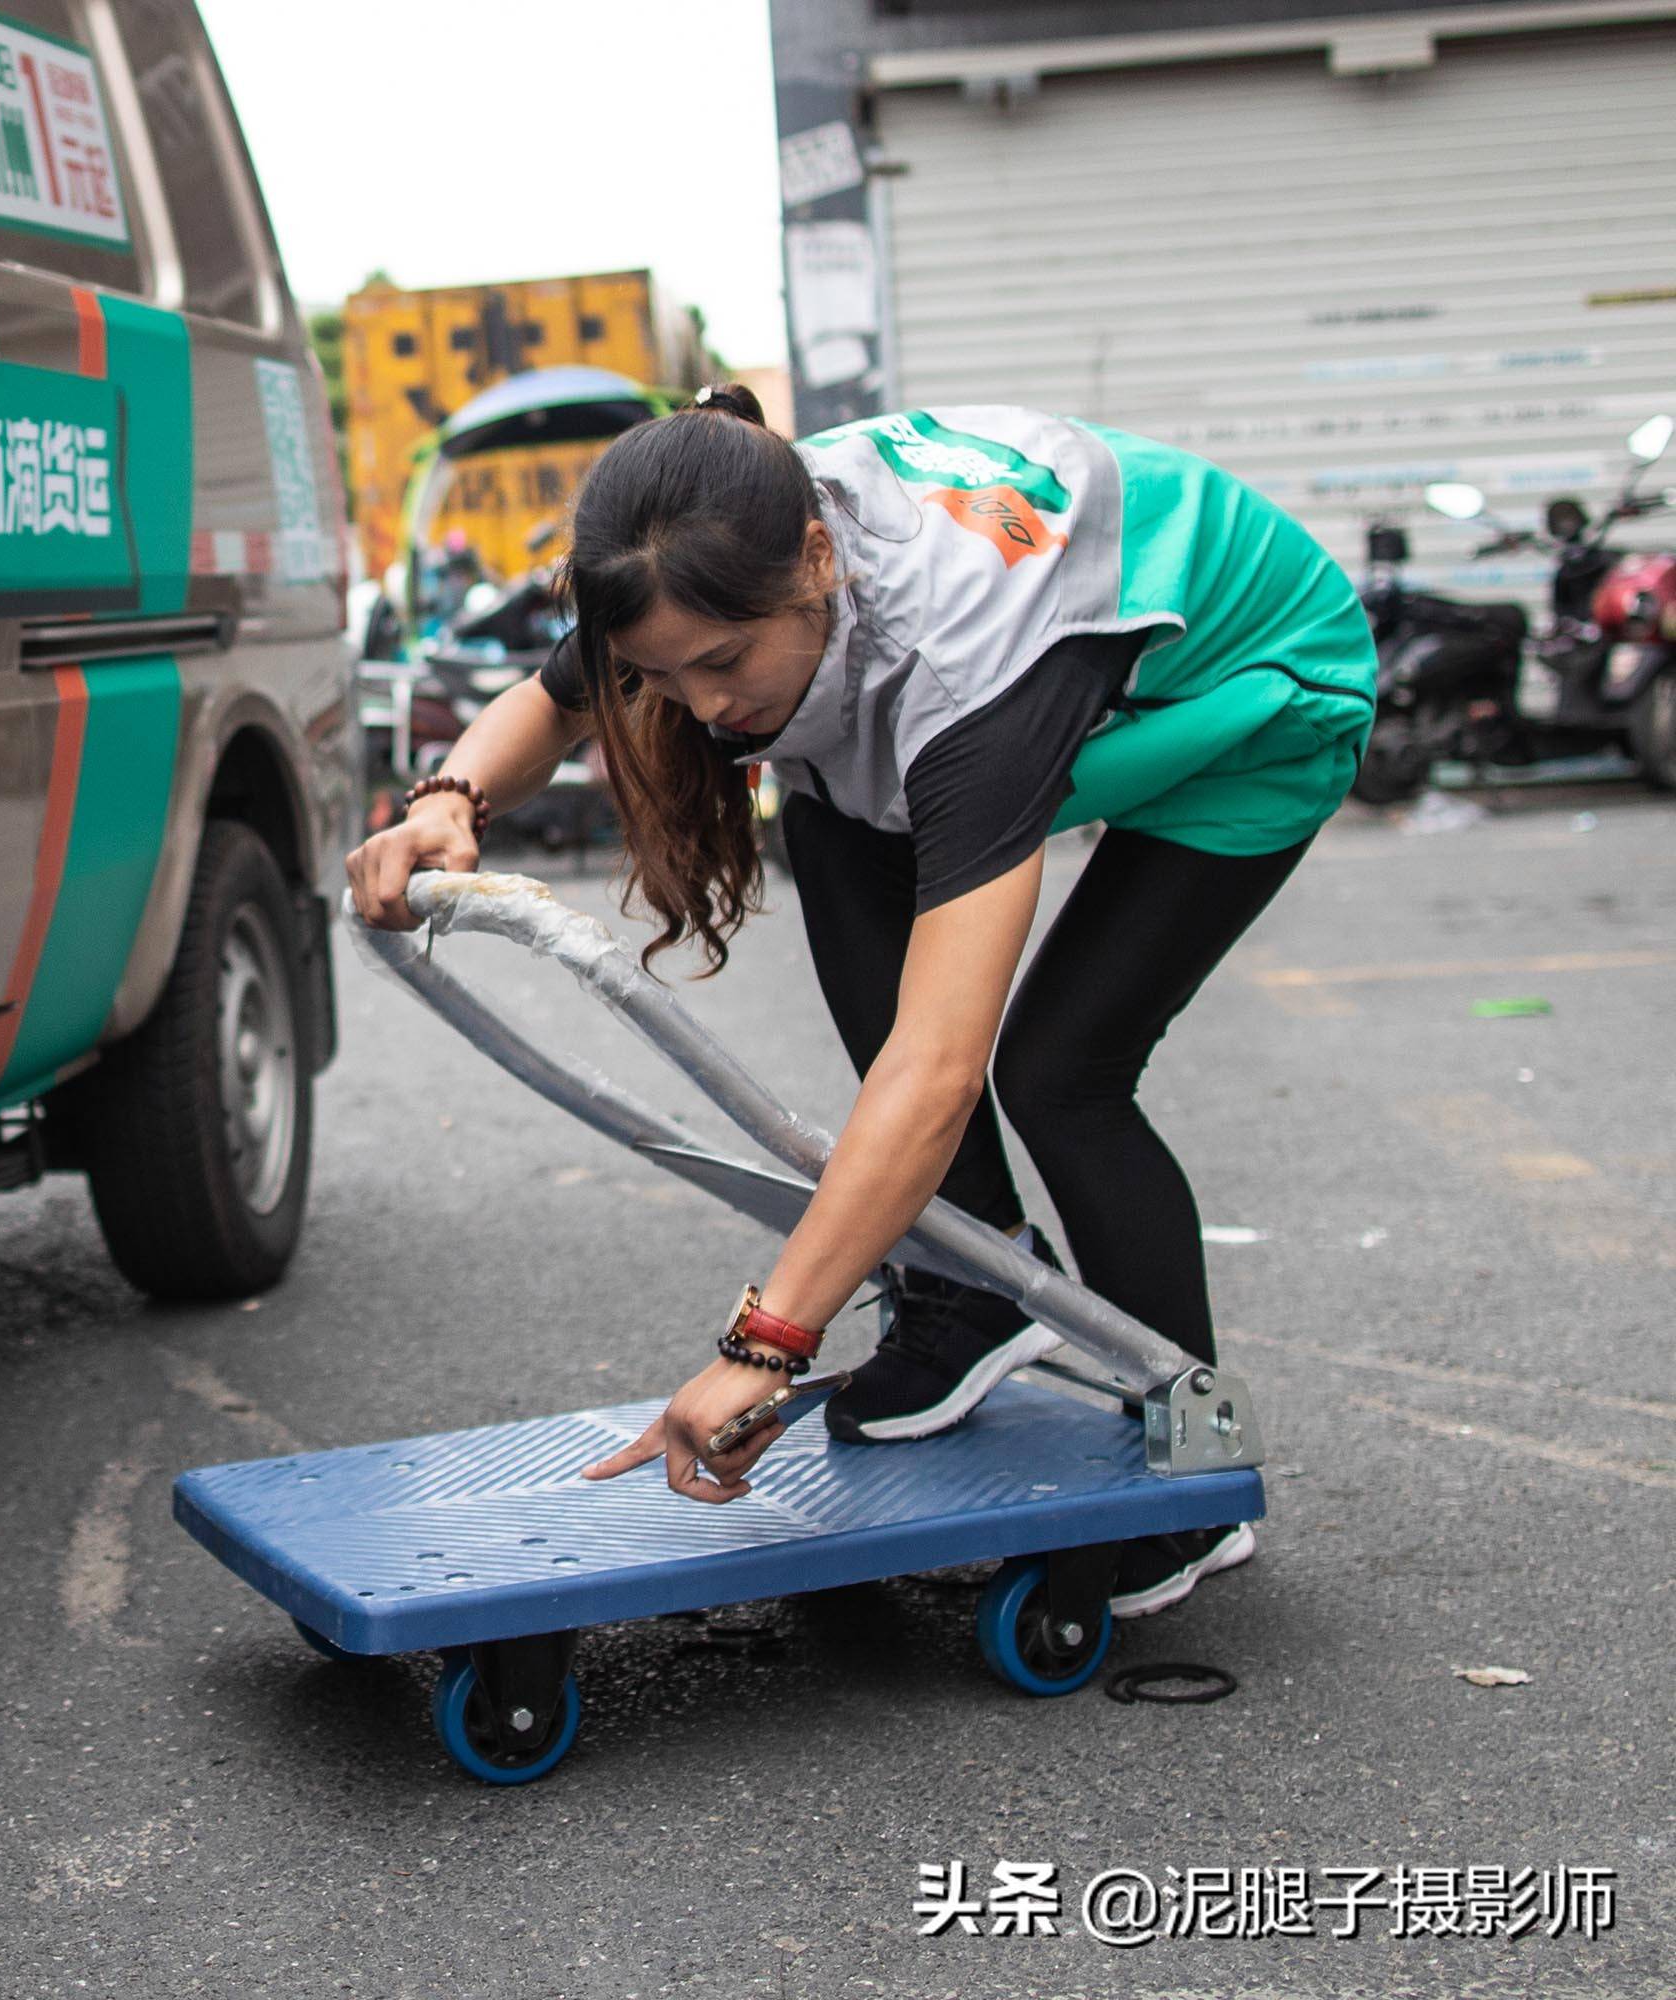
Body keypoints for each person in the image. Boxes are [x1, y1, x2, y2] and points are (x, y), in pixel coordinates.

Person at [344, 388, 1374, 1619]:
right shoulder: (712, 536)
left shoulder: (967, 668)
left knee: (1060, 1074)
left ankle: (1194, 1477)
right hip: (1073, 682)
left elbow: (936, 1067)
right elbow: (557, 699)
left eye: (724, 662)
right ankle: (973, 1295)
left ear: (820, 557)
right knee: (833, 801)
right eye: (662, 675)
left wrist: (766, 1341)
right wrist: (448, 796)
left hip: (1251, 693)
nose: (705, 704)